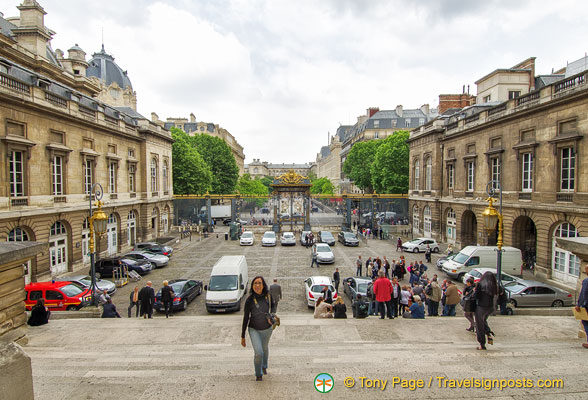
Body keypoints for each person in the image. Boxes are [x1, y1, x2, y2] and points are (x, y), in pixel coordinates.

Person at [241, 276, 276, 381]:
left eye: (259, 283)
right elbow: (246, 317)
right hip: (254, 329)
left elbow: (273, 307)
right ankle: (258, 374)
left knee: (264, 348)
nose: (257, 285)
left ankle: (264, 366)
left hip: (267, 329)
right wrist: (243, 336)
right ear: (252, 286)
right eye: (255, 283)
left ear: (263, 285)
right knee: (258, 352)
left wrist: (272, 315)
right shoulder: (249, 300)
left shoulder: (268, 296)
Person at [475, 272, 498, 350]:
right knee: (484, 321)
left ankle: (482, 344)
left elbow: (476, 296)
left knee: (479, 325)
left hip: (481, 307)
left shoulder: (480, 284)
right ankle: (488, 331)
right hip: (490, 307)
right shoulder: (493, 286)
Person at [574, 263, 588, 349]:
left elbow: (584, 294)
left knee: (586, 322)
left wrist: (579, 305)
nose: (585, 271)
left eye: (586, 269)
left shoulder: (586, 281)